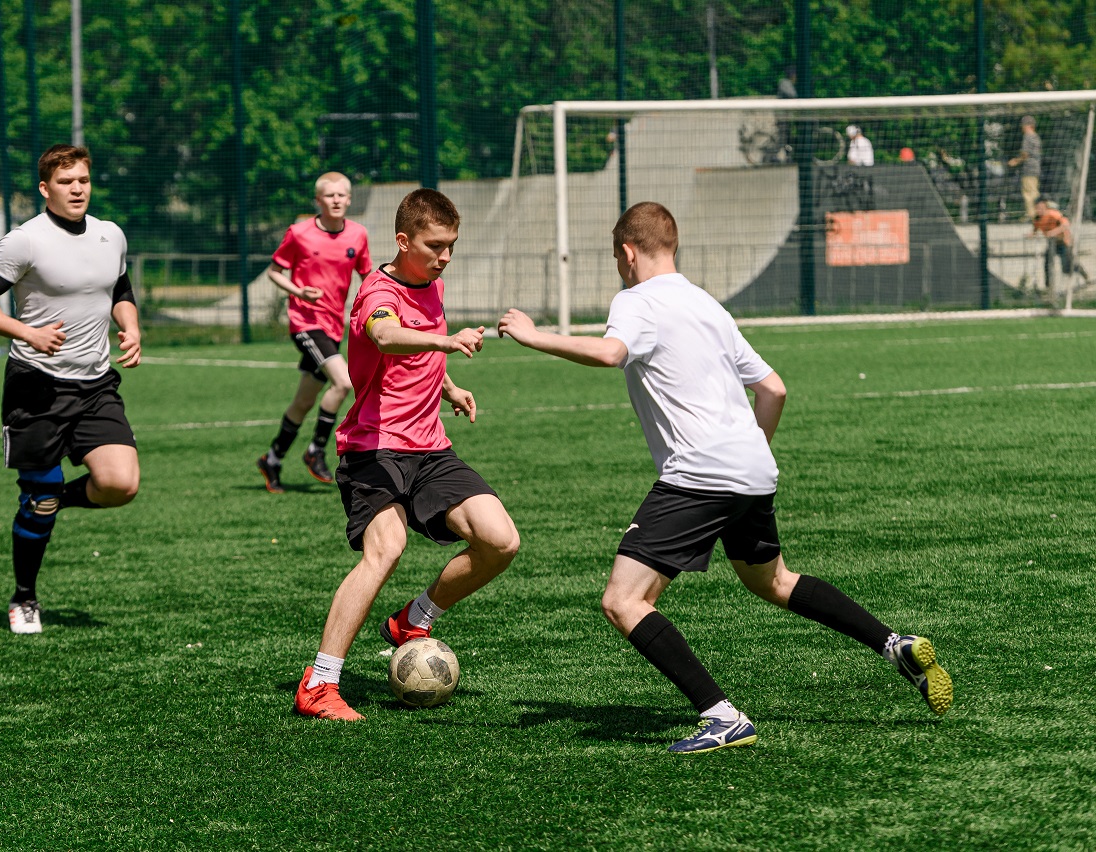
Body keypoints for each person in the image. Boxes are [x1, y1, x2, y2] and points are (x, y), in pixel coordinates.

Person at [496, 202, 952, 753]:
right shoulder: (707, 304)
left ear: (626, 252)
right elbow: (774, 389)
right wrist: (750, 454)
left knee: (624, 601)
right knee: (774, 582)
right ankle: (892, 644)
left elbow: (610, 352)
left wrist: (532, 333)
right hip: (752, 469)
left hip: (699, 472)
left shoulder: (637, 300)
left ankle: (721, 716)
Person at [294, 188, 520, 721]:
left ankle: (411, 619)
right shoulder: (377, 291)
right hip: (373, 449)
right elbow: (388, 336)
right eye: (434, 245)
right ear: (403, 241)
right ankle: (320, 683)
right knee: (386, 549)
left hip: (430, 449)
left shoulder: (432, 283)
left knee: (500, 541)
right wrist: (446, 343)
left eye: (451, 246)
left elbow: (409, 362)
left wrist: (449, 385)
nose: (444, 256)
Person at [0, 144, 142, 635]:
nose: (77, 188)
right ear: (45, 189)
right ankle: (24, 597)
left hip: (97, 383)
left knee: (121, 484)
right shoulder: (25, 241)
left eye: (82, 179)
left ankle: (51, 497)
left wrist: (131, 325)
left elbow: (119, 290)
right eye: (65, 182)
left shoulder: (110, 234)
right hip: (36, 386)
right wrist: (28, 334)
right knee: (36, 503)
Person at [256, 172, 372, 493]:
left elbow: (368, 277)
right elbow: (274, 272)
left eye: (341, 195)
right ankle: (316, 450)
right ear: (318, 201)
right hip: (306, 323)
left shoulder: (358, 235)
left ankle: (273, 459)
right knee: (343, 382)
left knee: (304, 402)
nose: (336, 200)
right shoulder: (300, 233)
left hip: (334, 326)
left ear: (349, 199)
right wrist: (298, 292)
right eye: (329, 195)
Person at [1031, 198, 1088, 291]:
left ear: (1045, 207)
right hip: (1052, 244)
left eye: (1041, 208)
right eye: (1037, 208)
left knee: (1067, 264)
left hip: (1064, 242)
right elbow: (1035, 229)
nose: (1038, 210)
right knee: (1047, 263)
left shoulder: (1053, 214)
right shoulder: (1037, 218)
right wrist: (1031, 235)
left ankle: (1082, 276)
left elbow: (1065, 224)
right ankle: (1049, 287)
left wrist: (1053, 232)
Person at [1008, 116, 1042, 217]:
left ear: (1028, 126)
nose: (1022, 128)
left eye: (1023, 125)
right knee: (1034, 191)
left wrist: (1015, 161)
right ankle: (1039, 215)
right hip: (1036, 168)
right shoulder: (1036, 137)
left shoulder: (1028, 136)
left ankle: (1034, 216)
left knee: (1029, 194)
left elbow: (1025, 154)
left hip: (1028, 169)